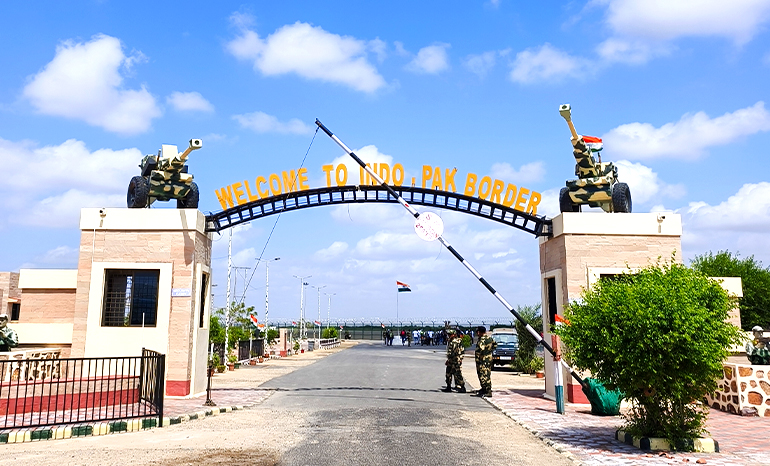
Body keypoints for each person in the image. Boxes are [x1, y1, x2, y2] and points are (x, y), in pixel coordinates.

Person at [473, 326, 496, 398]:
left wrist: (483, 354)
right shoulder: (489, 338)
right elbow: (495, 345)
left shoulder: (482, 340)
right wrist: (489, 351)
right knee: (486, 374)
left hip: (482, 360)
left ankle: (488, 391)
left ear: (479, 332)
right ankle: (484, 389)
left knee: (484, 375)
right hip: (488, 358)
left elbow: (481, 349)